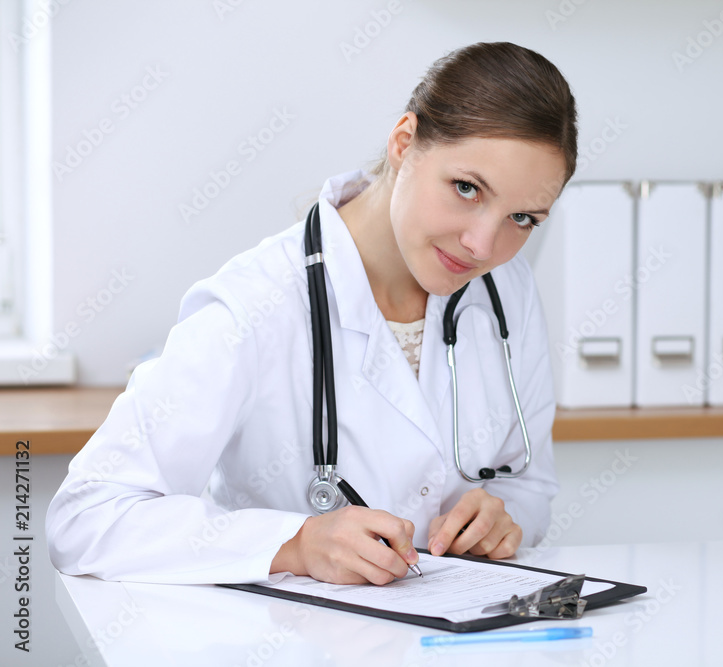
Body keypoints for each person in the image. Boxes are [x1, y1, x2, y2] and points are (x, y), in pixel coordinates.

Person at [46, 42, 578, 586]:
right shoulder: (256, 303)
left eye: (522, 218)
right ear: (403, 143)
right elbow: (86, 518)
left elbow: (529, 489)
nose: (483, 245)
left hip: (458, 624)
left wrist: (501, 520)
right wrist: (292, 544)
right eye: (467, 188)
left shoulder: (506, 290)